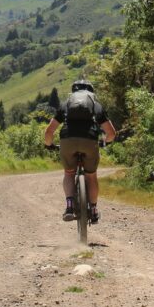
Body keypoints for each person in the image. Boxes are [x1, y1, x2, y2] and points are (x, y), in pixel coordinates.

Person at [44, 80, 116, 223]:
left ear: (74, 92)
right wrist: (105, 143)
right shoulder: (96, 105)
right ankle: (94, 209)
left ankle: (69, 206)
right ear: (91, 92)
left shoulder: (65, 104)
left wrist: (49, 145)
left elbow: (49, 131)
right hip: (90, 140)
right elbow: (111, 133)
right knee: (91, 176)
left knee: (69, 173)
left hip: (67, 140)